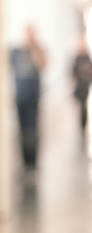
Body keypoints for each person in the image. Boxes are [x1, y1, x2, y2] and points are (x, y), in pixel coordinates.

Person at [10, 26, 47, 170]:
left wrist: (34, 51)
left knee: (33, 130)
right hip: (20, 96)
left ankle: (33, 162)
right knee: (22, 130)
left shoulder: (38, 49)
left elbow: (45, 65)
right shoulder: (15, 51)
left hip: (33, 96)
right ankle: (24, 162)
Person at [72, 38, 92, 133]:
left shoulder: (88, 57)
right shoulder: (76, 58)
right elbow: (72, 71)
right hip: (78, 86)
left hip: (85, 85)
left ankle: (84, 124)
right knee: (80, 107)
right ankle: (81, 126)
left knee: (84, 107)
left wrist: (89, 74)